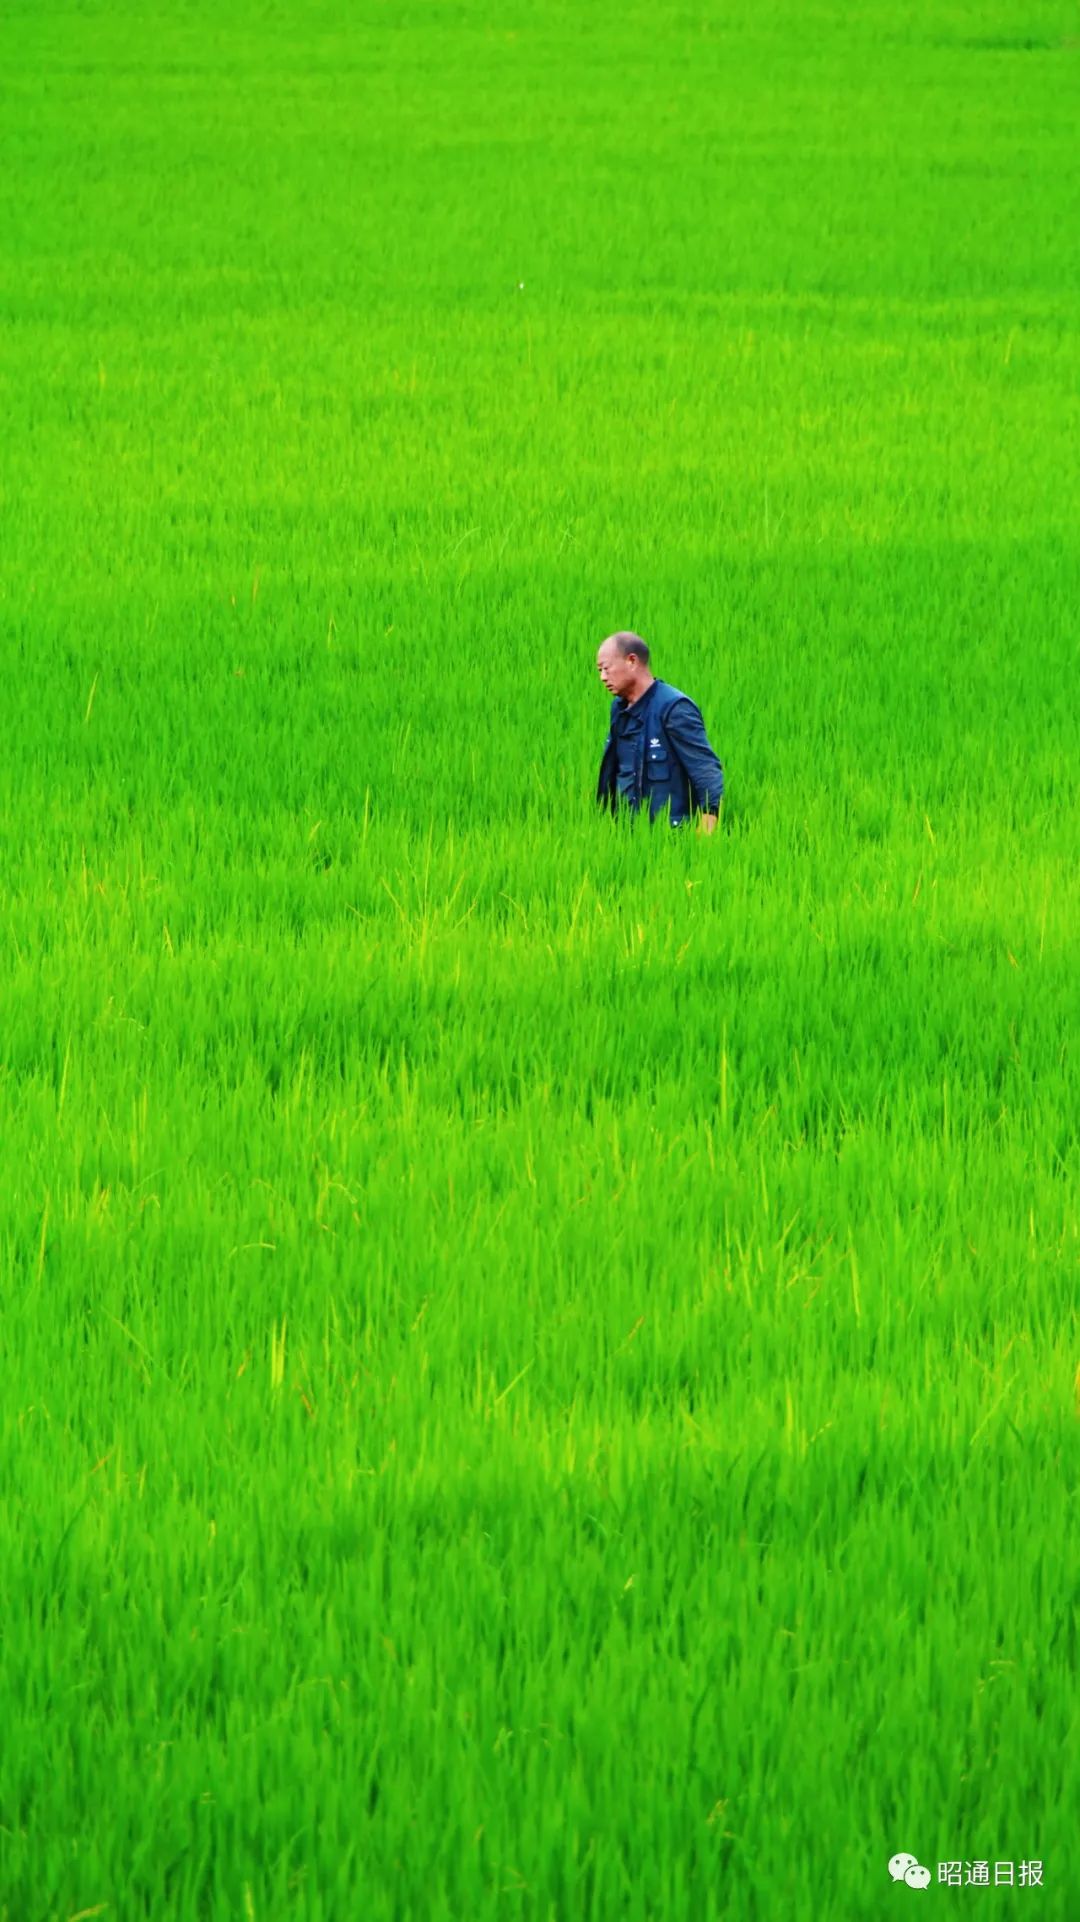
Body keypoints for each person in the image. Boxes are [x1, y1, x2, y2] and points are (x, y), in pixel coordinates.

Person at [595, 632, 724, 832]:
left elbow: (705, 769)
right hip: (625, 836)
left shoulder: (674, 708)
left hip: (669, 839)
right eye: (599, 671)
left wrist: (706, 833)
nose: (602, 677)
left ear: (631, 661)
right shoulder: (619, 710)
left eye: (606, 668)